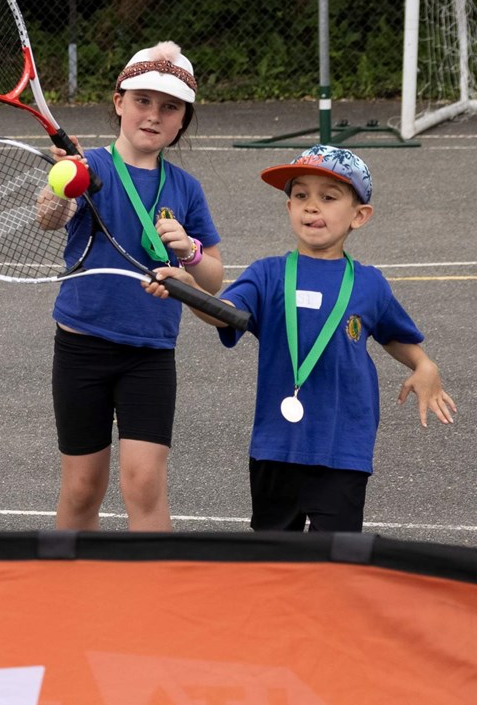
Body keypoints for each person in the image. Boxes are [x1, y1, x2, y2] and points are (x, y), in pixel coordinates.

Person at [149, 145, 455, 531]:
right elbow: (222, 313)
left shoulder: (369, 283)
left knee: (334, 564)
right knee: (275, 565)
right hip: (276, 448)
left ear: (359, 216)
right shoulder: (267, 275)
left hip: (342, 452)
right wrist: (191, 286)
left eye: (328, 198)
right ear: (288, 208)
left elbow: (395, 335)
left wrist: (424, 364)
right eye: (300, 196)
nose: (312, 207)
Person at [44, 42, 224, 531]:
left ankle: (154, 597)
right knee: (82, 489)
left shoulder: (185, 188)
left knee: (144, 484)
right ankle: (68, 594)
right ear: (119, 102)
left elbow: (213, 278)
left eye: (169, 107)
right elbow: (49, 218)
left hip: (149, 353)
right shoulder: (91, 168)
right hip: (82, 347)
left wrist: (188, 252)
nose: (153, 115)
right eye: (142, 101)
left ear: (182, 120)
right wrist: (62, 181)